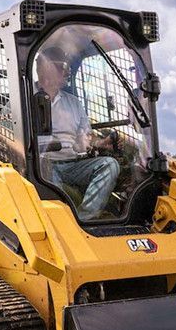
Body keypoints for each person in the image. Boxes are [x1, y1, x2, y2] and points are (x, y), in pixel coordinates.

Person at [35, 46, 119, 220]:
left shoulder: (73, 103)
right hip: (40, 164)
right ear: (45, 68)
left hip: (72, 164)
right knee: (46, 169)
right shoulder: (24, 98)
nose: (67, 72)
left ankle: (83, 219)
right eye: (62, 67)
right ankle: (59, 219)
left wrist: (101, 143)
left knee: (110, 165)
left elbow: (85, 138)